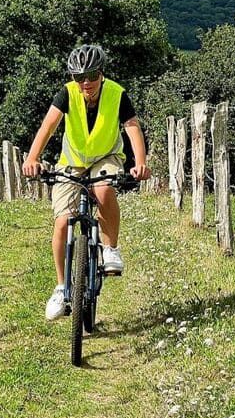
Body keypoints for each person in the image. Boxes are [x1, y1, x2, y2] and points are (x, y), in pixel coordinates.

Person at [22, 44, 151, 320]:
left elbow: (131, 127)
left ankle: (110, 248)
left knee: (103, 191)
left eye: (91, 75)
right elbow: (48, 127)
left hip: (106, 157)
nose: (86, 83)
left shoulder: (117, 94)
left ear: (101, 73)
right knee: (61, 221)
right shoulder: (67, 93)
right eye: (79, 77)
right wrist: (33, 158)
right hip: (72, 161)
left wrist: (140, 162)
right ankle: (60, 288)